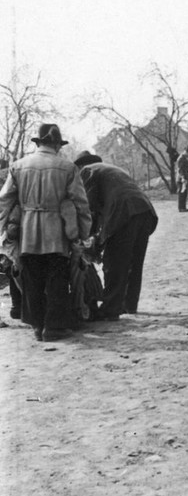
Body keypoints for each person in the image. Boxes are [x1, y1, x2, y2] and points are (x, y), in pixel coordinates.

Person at [0, 123, 91, 341]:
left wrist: (2, 228)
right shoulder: (68, 168)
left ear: (38, 143)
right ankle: (54, 328)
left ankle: (37, 327)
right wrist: (83, 232)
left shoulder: (18, 166)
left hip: (28, 230)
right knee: (56, 277)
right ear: (57, 145)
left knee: (32, 279)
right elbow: (80, 203)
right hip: (56, 230)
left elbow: (4, 201)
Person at [74, 151, 158, 320]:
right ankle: (129, 304)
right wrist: (97, 237)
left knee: (114, 262)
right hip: (145, 212)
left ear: (79, 166)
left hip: (124, 213)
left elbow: (90, 208)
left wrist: (87, 237)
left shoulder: (87, 172)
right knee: (134, 261)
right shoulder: (111, 169)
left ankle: (111, 309)